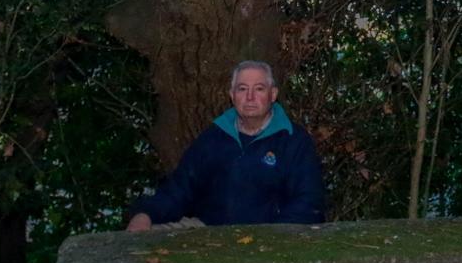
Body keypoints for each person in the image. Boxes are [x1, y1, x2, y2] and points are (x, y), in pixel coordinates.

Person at [125, 60, 325, 231]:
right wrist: (146, 214)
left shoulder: (293, 140)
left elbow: (309, 203)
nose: (250, 97)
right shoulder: (213, 137)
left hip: (270, 235)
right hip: (208, 230)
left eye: (259, 89)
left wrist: (269, 238)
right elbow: (180, 188)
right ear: (232, 95)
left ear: (273, 95)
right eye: (242, 89)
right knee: (140, 241)